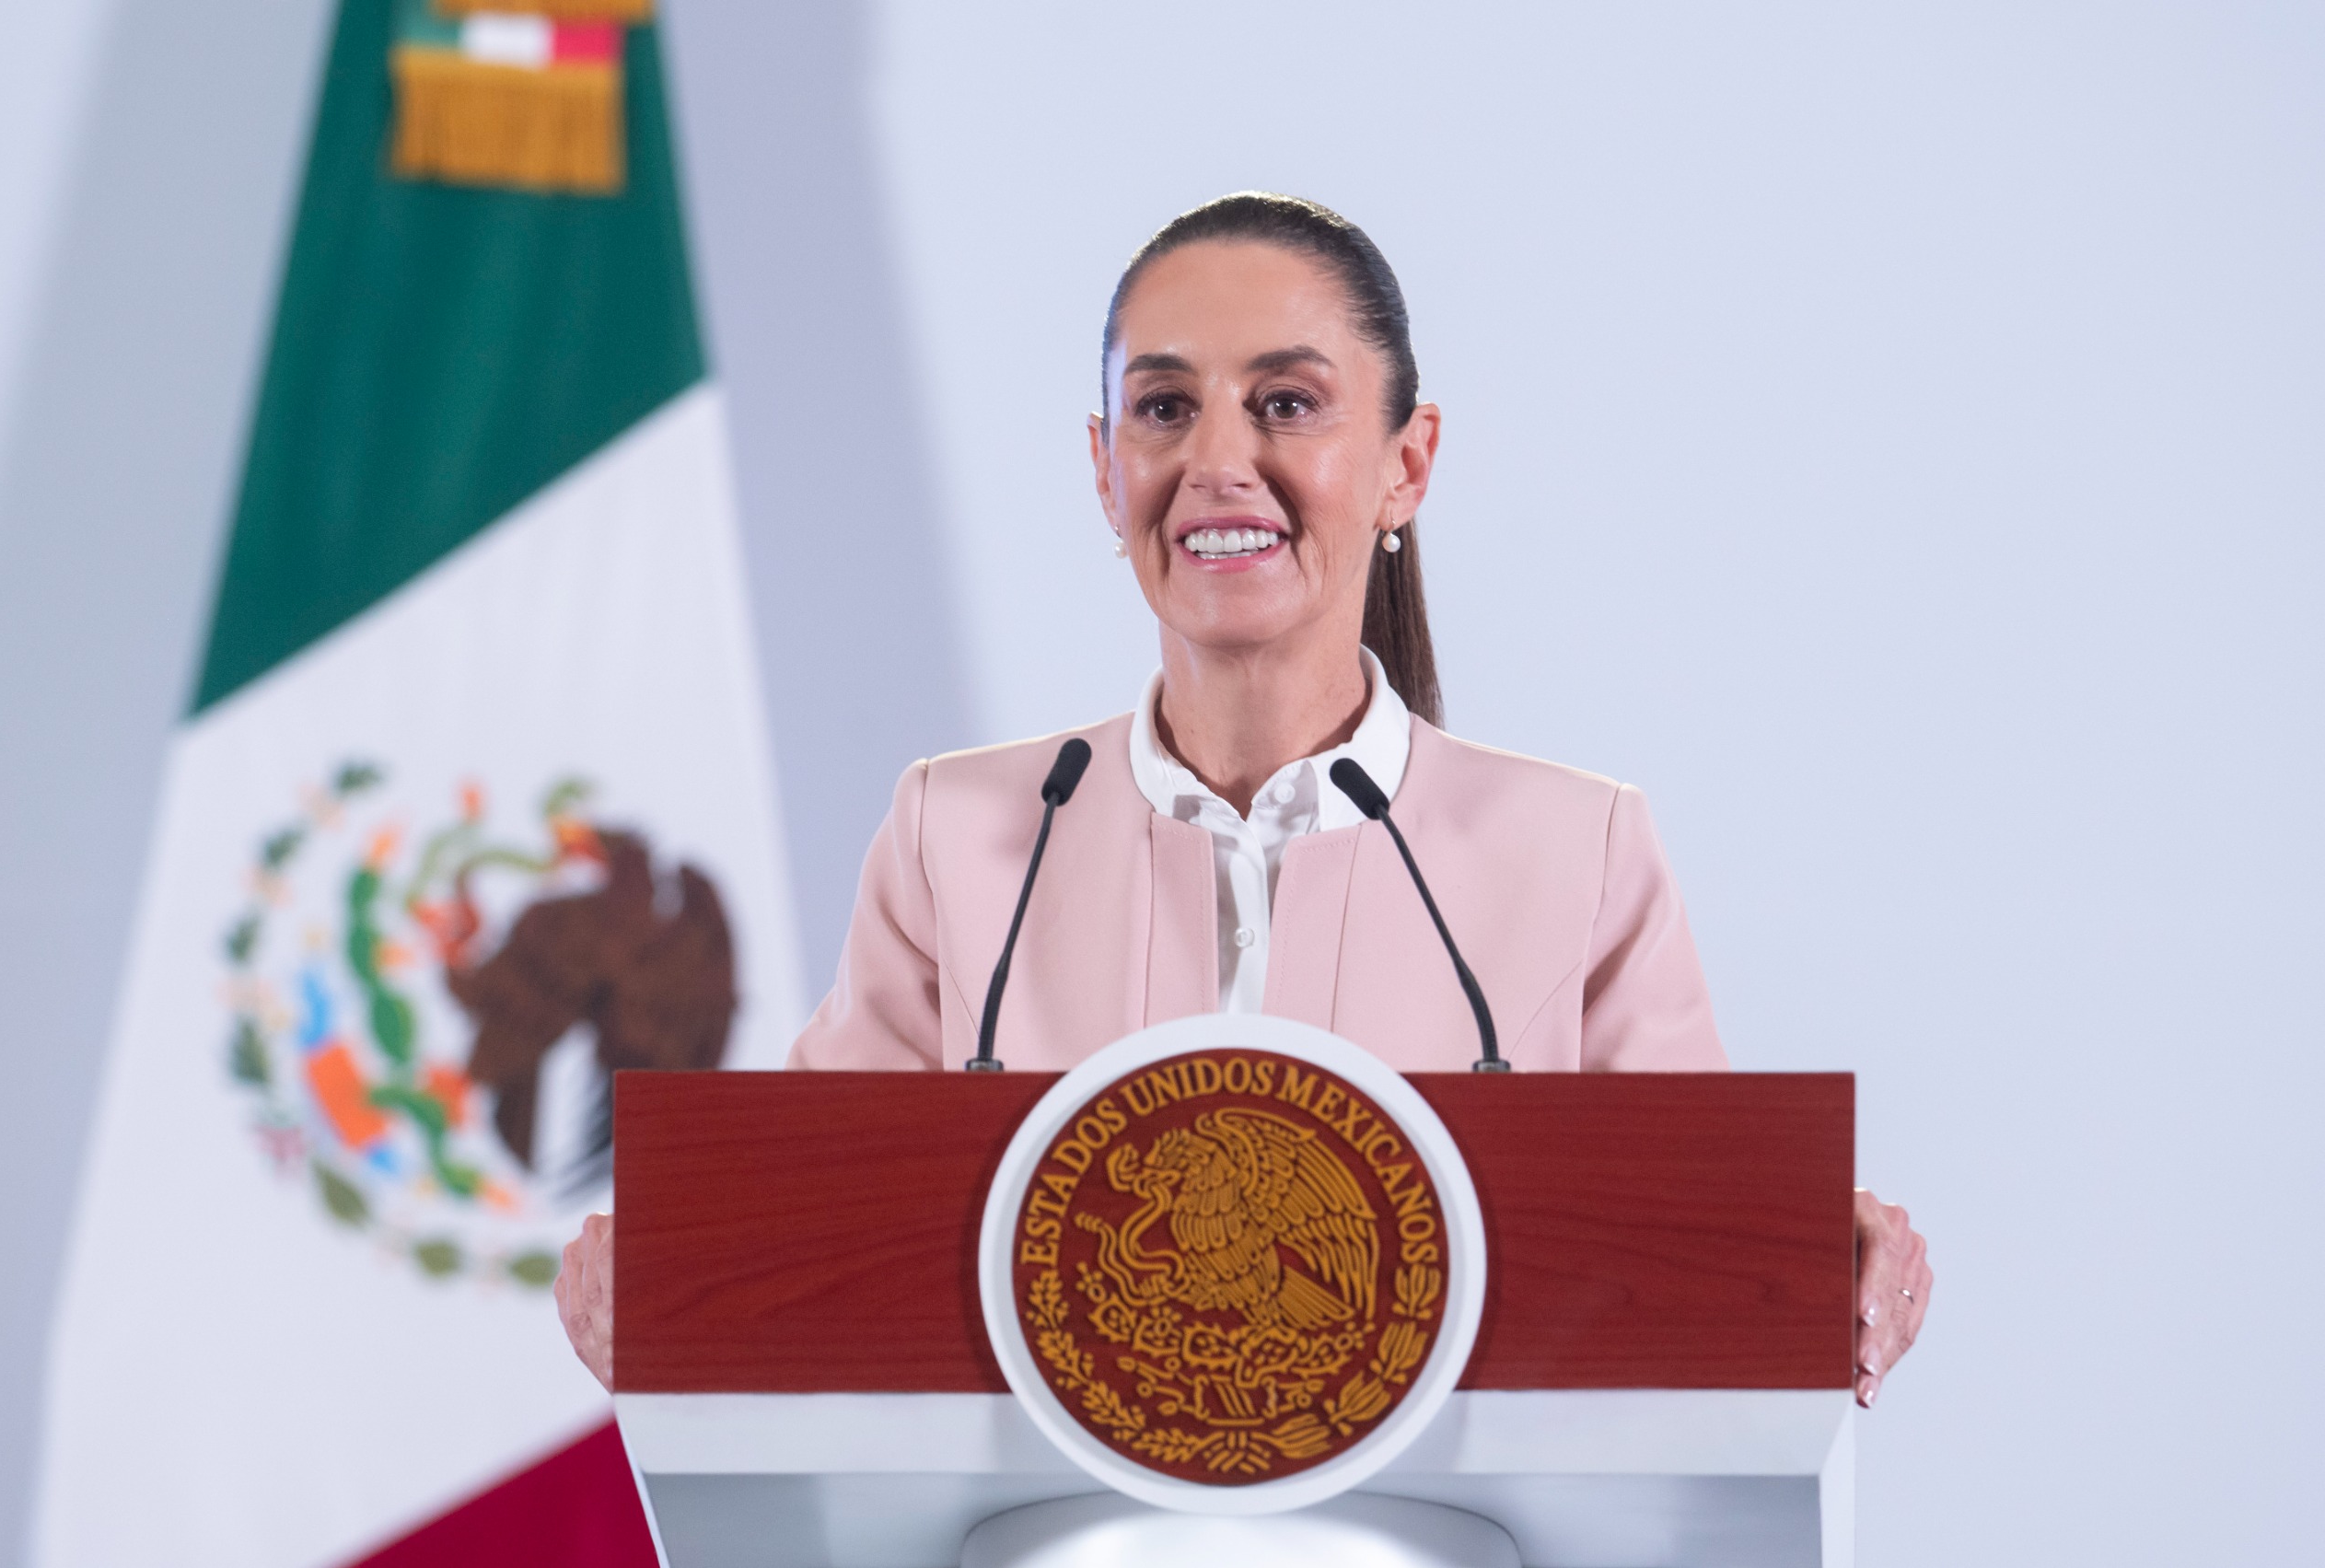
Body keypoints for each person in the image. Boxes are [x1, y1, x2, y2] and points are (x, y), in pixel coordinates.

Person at [557, 192, 1932, 1408]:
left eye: (1286, 403)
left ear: (1408, 463)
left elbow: (1701, 1266)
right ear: (1105, 469)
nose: (1218, 461)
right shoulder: (962, 842)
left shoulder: (1576, 854)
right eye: (1165, 408)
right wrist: (651, 1258)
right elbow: (795, 1237)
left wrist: (1835, 1260)